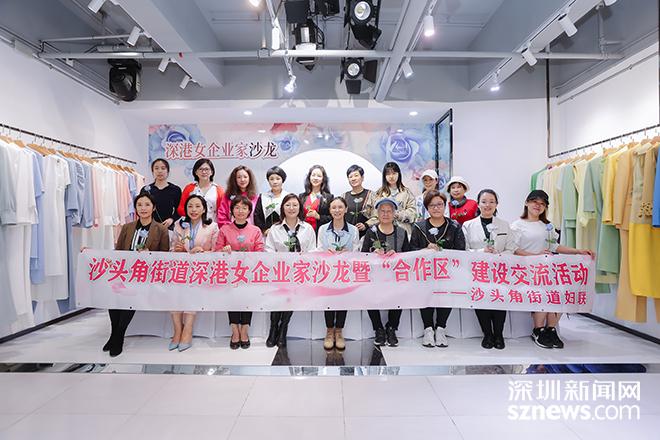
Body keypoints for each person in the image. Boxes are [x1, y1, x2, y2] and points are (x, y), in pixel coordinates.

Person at [511, 190, 595, 349]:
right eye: (535, 202)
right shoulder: (517, 225)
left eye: (542, 204)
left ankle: (551, 329)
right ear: (527, 203)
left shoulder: (547, 226)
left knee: (562, 292)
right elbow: (513, 249)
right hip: (525, 271)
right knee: (544, 292)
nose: (538, 206)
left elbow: (554, 246)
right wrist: (535, 256)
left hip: (546, 271)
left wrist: (578, 251)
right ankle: (538, 330)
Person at [103, 192, 169, 357]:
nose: (143, 208)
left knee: (131, 295)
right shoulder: (127, 227)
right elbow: (118, 251)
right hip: (125, 272)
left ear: (153, 208)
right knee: (113, 295)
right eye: (139, 205)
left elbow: (165, 256)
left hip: (145, 275)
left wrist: (150, 255)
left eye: (147, 204)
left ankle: (119, 336)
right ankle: (114, 333)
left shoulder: (161, 229)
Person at [462, 189, 518, 350]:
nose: (488, 205)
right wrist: (481, 252)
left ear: (496, 204)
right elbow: (464, 249)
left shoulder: (504, 225)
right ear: (478, 204)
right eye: (484, 201)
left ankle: (499, 334)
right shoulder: (468, 225)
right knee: (482, 300)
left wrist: (499, 255)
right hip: (477, 271)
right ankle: (487, 334)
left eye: (492, 201)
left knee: (499, 300)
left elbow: (511, 248)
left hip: (499, 270)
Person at [410, 190, 465, 348]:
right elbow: (411, 249)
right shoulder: (419, 227)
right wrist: (425, 249)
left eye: (439, 204)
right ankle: (428, 329)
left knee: (445, 297)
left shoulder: (454, 226)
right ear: (427, 208)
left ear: (445, 206)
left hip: (447, 272)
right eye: (432, 205)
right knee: (425, 296)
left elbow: (461, 250)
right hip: (425, 271)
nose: (436, 208)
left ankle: (441, 328)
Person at [264, 194, 316, 347]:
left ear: (300, 208)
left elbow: (313, 250)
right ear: (282, 208)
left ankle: (283, 329)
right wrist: (280, 260)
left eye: (295, 205)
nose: (291, 208)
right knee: (277, 299)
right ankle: (273, 328)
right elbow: (268, 249)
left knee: (290, 299)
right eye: (288, 205)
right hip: (279, 271)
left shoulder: (307, 229)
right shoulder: (275, 229)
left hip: (299, 271)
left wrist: (303, 258)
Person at [169, 194, 219, 352]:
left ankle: (187, 330)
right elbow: (172, 247)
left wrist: (202, 252)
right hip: (180, 268)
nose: (194, 210)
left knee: (192, 291)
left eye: (198, 206)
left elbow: (216, 251)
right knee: (173, 293)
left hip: (201, 270)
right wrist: (177, 250)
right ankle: (177, 330)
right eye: (190, 206)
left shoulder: (212, 227)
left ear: (204, 209)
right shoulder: (179, 224)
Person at [215, 195, 265, 349]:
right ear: (232, 211)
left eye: (244, 208)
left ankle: (244, 330)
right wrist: (224, 250)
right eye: (237, 208)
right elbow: (216, 251)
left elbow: (260, 251)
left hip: (249, 272)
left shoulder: (255, 230)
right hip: (230, 273)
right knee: (233, 300)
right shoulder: (225, 229)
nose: (240, 211)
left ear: (249, 211)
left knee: (247, 300)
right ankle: (234, 330)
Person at [362, 197, 411, 347]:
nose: (385, 214)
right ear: (377, 213)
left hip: (395, 275)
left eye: (389, 211)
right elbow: (363, 254)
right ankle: (378, 328)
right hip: (375, 275)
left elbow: (408, 255)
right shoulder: (371, 232)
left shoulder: (401, 232)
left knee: (400, 295)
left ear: (394, 213)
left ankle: (392, 328)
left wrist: (396, 255)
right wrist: (373, 252)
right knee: (368, 295)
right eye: (382, 211)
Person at [317, 196, 360, 350]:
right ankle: (329, 331)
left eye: (340, 207)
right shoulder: (323, 229)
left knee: (343, 300)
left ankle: (339, 332)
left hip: (345, 272)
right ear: (329, 210)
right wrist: (325, 252)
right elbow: (318, 248)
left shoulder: (353, 230)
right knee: (328, 301)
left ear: (346, 209)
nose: (337, 210)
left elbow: (357, 250)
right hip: (328, 271)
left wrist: (349, 253)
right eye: (334, 207)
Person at [367, 162, 417, 237]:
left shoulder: (406, 192)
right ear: (384, 176)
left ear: (399, 174)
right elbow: (374, 215)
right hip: (383, 232)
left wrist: (399, 215)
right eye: (388, 174)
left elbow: (413, 213)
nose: (391, 176)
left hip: (403, 231)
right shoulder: (379, 194)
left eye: (394, 173)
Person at [178, 159, 224, 223]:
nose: (204, 172)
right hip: (192, 225)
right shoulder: (189, 188)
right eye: (200, 169)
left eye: (206, 169)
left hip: (212, 225)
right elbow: (181, 209)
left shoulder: (218, 190)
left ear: (212, 172)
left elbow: (222, 212)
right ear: (196, 172)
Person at [140, 158, 181, 230]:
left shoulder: (175, 189)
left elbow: (179, 210)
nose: (160, 171)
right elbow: (140, 208)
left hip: (167, 227)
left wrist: (171, 219)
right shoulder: (146, 190)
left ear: (168, 171)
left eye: (163, 168)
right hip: (148, 227)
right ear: (152, 171)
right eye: (156, 168)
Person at [254, 166, 290, 235]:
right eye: (271, 179)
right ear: (268, 181)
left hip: (285, 233)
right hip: (267, 233)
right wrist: (264, 230)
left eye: (278, 179)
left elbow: (293, 215)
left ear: (283, 180)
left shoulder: (288, 197)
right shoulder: (263, 197)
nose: (275, 182)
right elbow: (257, 216)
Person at [299, 165, 333, 235]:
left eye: (319, 176)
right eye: (313, 175)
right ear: (309, 177)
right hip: (303, 233)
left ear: (323, 179)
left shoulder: (329, 197)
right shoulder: (302, 197)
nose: (315, 178)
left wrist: (318, 216)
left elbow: (333, 217)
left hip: (321, 234)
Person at [343, 164, 375, 238]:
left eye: (356, 175)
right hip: (347, 235)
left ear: (362, 178)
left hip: (365, 235)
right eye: (350, 177)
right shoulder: (344, 196)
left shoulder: (371, 195)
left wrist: (366, 225)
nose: (353, 179)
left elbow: (377, 216)